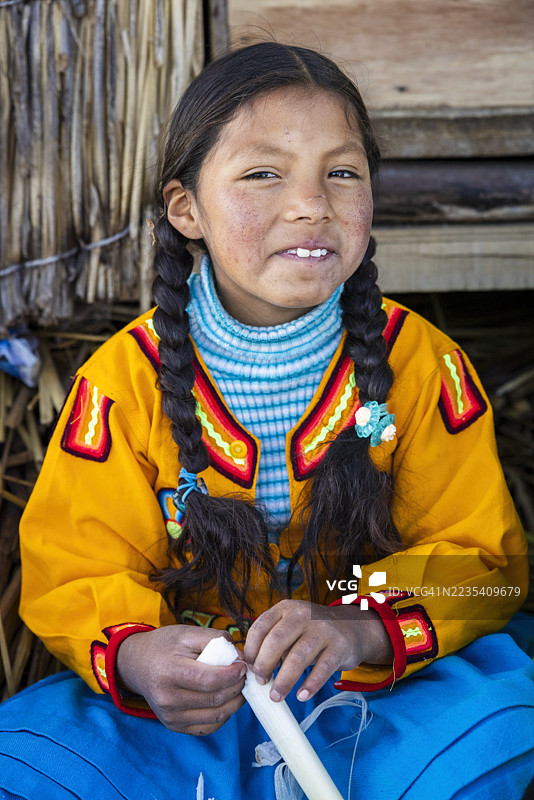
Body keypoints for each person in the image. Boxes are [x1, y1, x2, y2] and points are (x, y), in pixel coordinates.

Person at [0, 42, 533, 800]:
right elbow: (72, 571)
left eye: (342, 172)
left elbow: (488, 572)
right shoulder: (120, 383)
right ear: (186, 208)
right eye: (262, 174)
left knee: (506, 725)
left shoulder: (423, 365)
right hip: (183, 719)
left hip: (384, 699)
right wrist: (144, 659)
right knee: (31, 764)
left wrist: (358, 628)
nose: (312, 203)